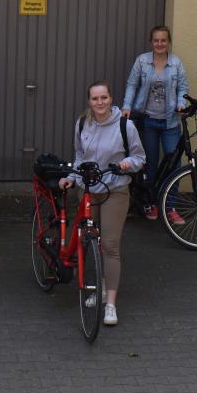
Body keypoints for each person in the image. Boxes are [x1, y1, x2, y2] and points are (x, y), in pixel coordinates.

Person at [59, 81, 146, 326]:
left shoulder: (124, 126)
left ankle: (110, 304)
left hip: (115, 190)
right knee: (90, 242)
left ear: (111, 98)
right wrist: (71, 177)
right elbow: (79, 156)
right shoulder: (82, 123)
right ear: (89, 101)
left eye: (104, 98)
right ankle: (98, 289)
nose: (100, 102)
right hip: (87, 190)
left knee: (110, 246)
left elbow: (140, 156)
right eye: (95, 98)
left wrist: (129, 163)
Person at [121, 25, 189, 223]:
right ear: (152, 42)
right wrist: (127, 106)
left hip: (170, 123)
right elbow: (132, 84)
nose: (160, 44)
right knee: (150, 164)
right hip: (148, 121)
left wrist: (181, 103)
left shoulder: (176, 63)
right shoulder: (142, 61)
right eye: (156, 40)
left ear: (168, 42)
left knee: (174, 165)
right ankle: (150, 203)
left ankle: (170, 207)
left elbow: (183, 87)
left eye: (164, 40)